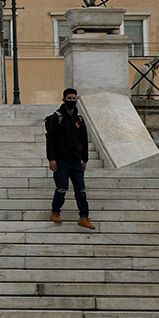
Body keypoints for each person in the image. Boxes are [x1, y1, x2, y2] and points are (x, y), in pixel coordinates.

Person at [45, 88, 95, 229]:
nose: (72, 101)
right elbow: (51, 140)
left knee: (81, 190)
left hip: (76, 161)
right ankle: (55, 211)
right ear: (64, 99)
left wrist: (84, 159)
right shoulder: (57, 117)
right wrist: (51, 159)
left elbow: (84, 140)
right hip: (61, 161)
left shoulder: (79, 119)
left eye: (74, 98)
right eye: (69, 98)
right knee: (62, 187)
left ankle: (84, 217)